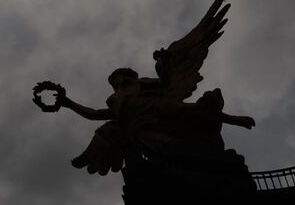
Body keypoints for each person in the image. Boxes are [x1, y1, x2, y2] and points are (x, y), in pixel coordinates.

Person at [58, 68, 255, 175]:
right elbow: (93, 114)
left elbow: (168, 85)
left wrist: (166, 63)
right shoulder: (117, 104)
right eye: (116, 81)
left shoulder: (147, 90)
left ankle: (231, 125)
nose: (120, 82)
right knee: (112, 133)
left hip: (160, 115)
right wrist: (67, 102)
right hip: (139, 131)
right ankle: (90, 155)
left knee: (195, 114)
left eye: (123, 77)